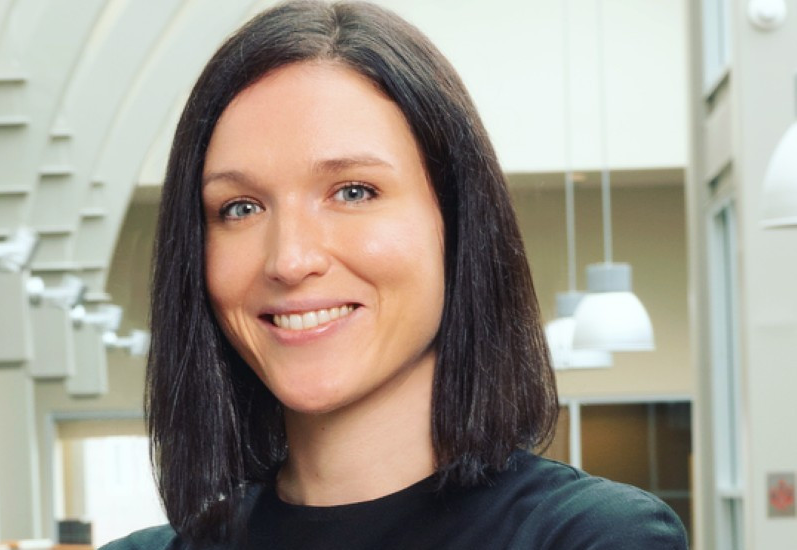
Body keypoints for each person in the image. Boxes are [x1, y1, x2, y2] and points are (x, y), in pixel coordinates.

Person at [105, 1, 688, 548]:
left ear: (458, 225)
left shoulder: (592, 537)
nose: (288, 259)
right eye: (240, 207)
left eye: (354, 191)